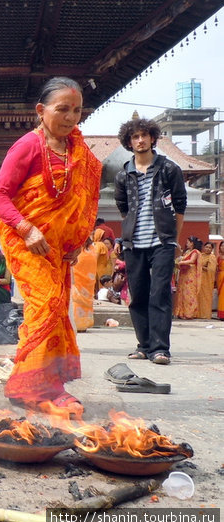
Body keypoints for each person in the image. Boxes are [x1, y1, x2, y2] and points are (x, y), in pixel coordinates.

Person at [0, 76, 102, 414]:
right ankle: (36, 387)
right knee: (48, 303)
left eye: (77, 111)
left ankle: (41, 383)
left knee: (54, 309)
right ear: (41, 110)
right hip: (26, 240)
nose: (70, 118)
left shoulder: (78, 153)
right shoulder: (27, 145)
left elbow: (85, 200)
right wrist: (27, 229)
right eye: (62, 109)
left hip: (58, 246)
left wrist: (80, 240)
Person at [114, 117, 187, 366]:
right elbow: (123, 208)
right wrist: (129, 234)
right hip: (134, 244)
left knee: (160, 294)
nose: (140, 140)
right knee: (139, 295)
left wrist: (172, 239)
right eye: (135, 137)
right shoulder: (123, 175)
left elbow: (180, 205)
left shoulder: (168, 169)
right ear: (129, 141)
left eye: (144, 135)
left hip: (162, 242)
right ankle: (143, 345)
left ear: (153, 138)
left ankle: (160, 348)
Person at [71, 237, 98, 331]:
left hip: (78, 280)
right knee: (85, 300)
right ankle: (85, 323)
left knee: (76, 299)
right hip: (88, 282)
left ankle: (77, 323)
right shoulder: (91, 248)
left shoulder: (77, 248)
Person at [173, 236, 201, 319]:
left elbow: (192, 261)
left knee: (189, 293)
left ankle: (189, 313)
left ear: (192, 243)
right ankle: (182, 312)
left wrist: (181, 262)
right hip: (183, 274)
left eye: (188, 242)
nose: (187, 244)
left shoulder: (195, 252)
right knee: (182, 293)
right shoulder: (187, 252)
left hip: (190, 275)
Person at [197, 241, 216, 319]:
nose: (208, 249)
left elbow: (211, 270)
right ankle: (198, 314)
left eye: (210, 248)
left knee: (206, 297)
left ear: (212, 249)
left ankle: (205, 314)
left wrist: (201, 267)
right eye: (206, 247)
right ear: (204, 247)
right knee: (199, 296)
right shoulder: (201, 255)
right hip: (199, 279)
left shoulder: (212, 257)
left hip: (207, 280)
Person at [217, 242, 224, 320]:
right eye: (222, 246)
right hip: (220, 277)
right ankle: (221, 315)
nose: (223, 247)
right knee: (221, 297)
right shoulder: (218, 257)